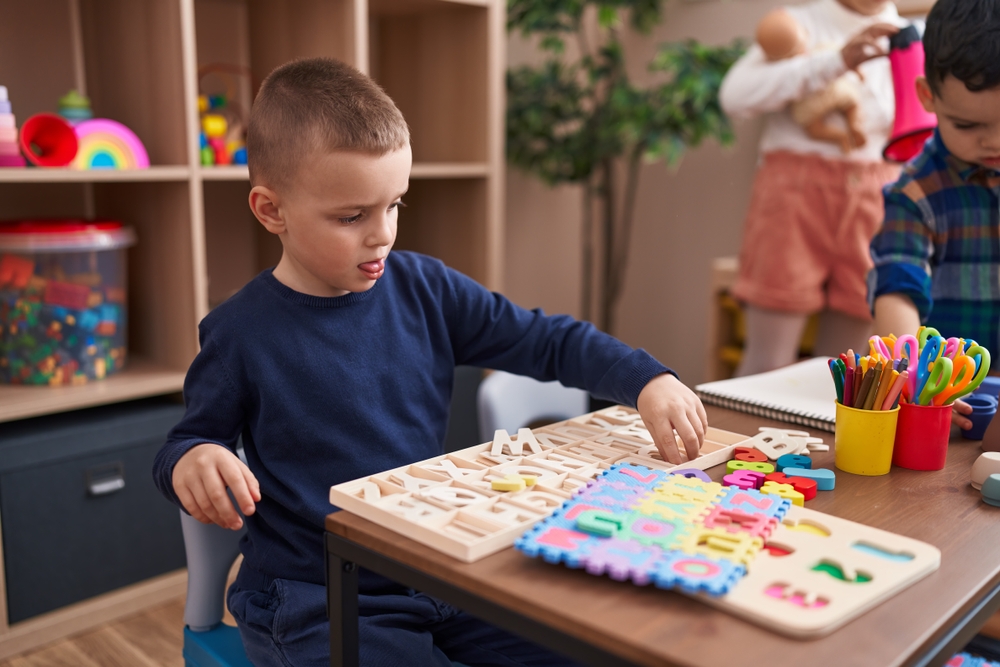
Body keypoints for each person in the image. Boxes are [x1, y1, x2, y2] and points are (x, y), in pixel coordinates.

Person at [152, 57, 708, 666]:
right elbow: (188, 441)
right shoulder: (239, 334)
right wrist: (196, 459)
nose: (381, 234)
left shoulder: (425, 289)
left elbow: (547, 341)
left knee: (593, 647)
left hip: (437, 563)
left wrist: (645, 379)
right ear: (271, 210)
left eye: (395, 205)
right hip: (314, 599)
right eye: (351, 216)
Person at [719, 0, 901, 377]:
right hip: (794, 197)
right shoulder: (796, 26)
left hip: (877, 197)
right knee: (766, 366)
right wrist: (836, 61)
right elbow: (734, 97)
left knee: (843, 373)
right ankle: (743, 439)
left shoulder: (911, 38)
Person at [869, 0, 1000, 430]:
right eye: (967, 125)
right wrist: (916, 381)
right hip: (950, 402)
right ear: (928, 97)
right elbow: (897, 289)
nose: (992, 142)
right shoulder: (915, 191)